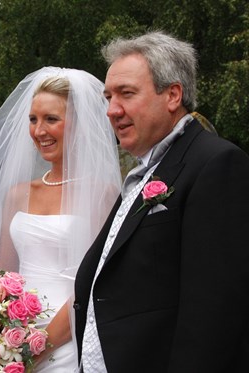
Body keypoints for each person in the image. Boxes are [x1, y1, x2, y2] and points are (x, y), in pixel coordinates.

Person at [74, 31, 249, 373]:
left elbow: (215, 314)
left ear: (172, 95)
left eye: (126, 94)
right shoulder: (146, 169)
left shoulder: (217, 164)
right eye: (108, 97)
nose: (112, 110)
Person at [0, 67, 122, 372]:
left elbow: (92, 285)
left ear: (80, 124)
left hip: (69, 338)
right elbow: (1, 280)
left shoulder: (102, 194)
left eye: (52, 119)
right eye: (33, 119)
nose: (39, 131)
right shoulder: (17, 194)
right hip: (15, 338)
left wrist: (36, 348)